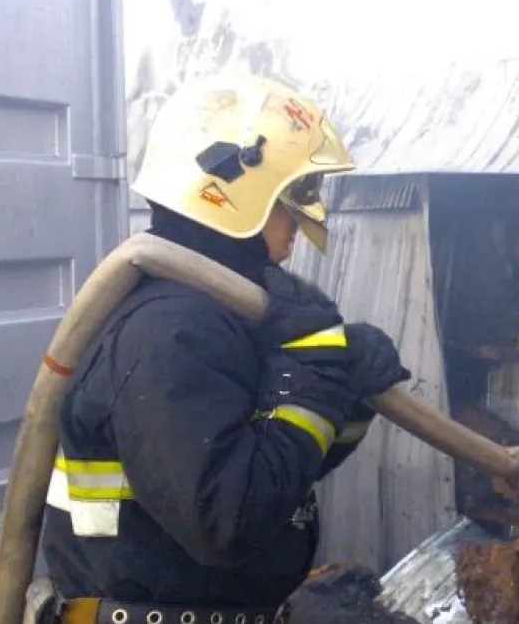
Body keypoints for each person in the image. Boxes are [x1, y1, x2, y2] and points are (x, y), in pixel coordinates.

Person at [38, 73, 410, 624]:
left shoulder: (228, 317)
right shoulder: (171, 330)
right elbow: (226, 520)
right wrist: (313, 378)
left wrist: (347, 396)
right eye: (296, 193)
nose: (306, 211)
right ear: (238, 192)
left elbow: (278, 472)